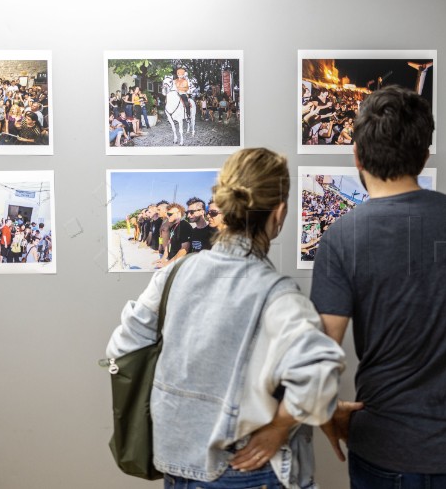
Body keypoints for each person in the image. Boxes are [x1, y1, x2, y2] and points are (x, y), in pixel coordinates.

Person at [310, 86, 446, 488]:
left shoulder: (344, 236)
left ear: (356, 155)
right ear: (424, 154)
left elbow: (321, 348)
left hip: (383, 448)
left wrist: (327, 411)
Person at [106, 148, 347, 489]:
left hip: (177, 465)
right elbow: (320, 375)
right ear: (279, 213)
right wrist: (279, 426)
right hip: (248, 471)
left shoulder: (176, 273)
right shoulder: (277, 294)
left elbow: (122, 347)